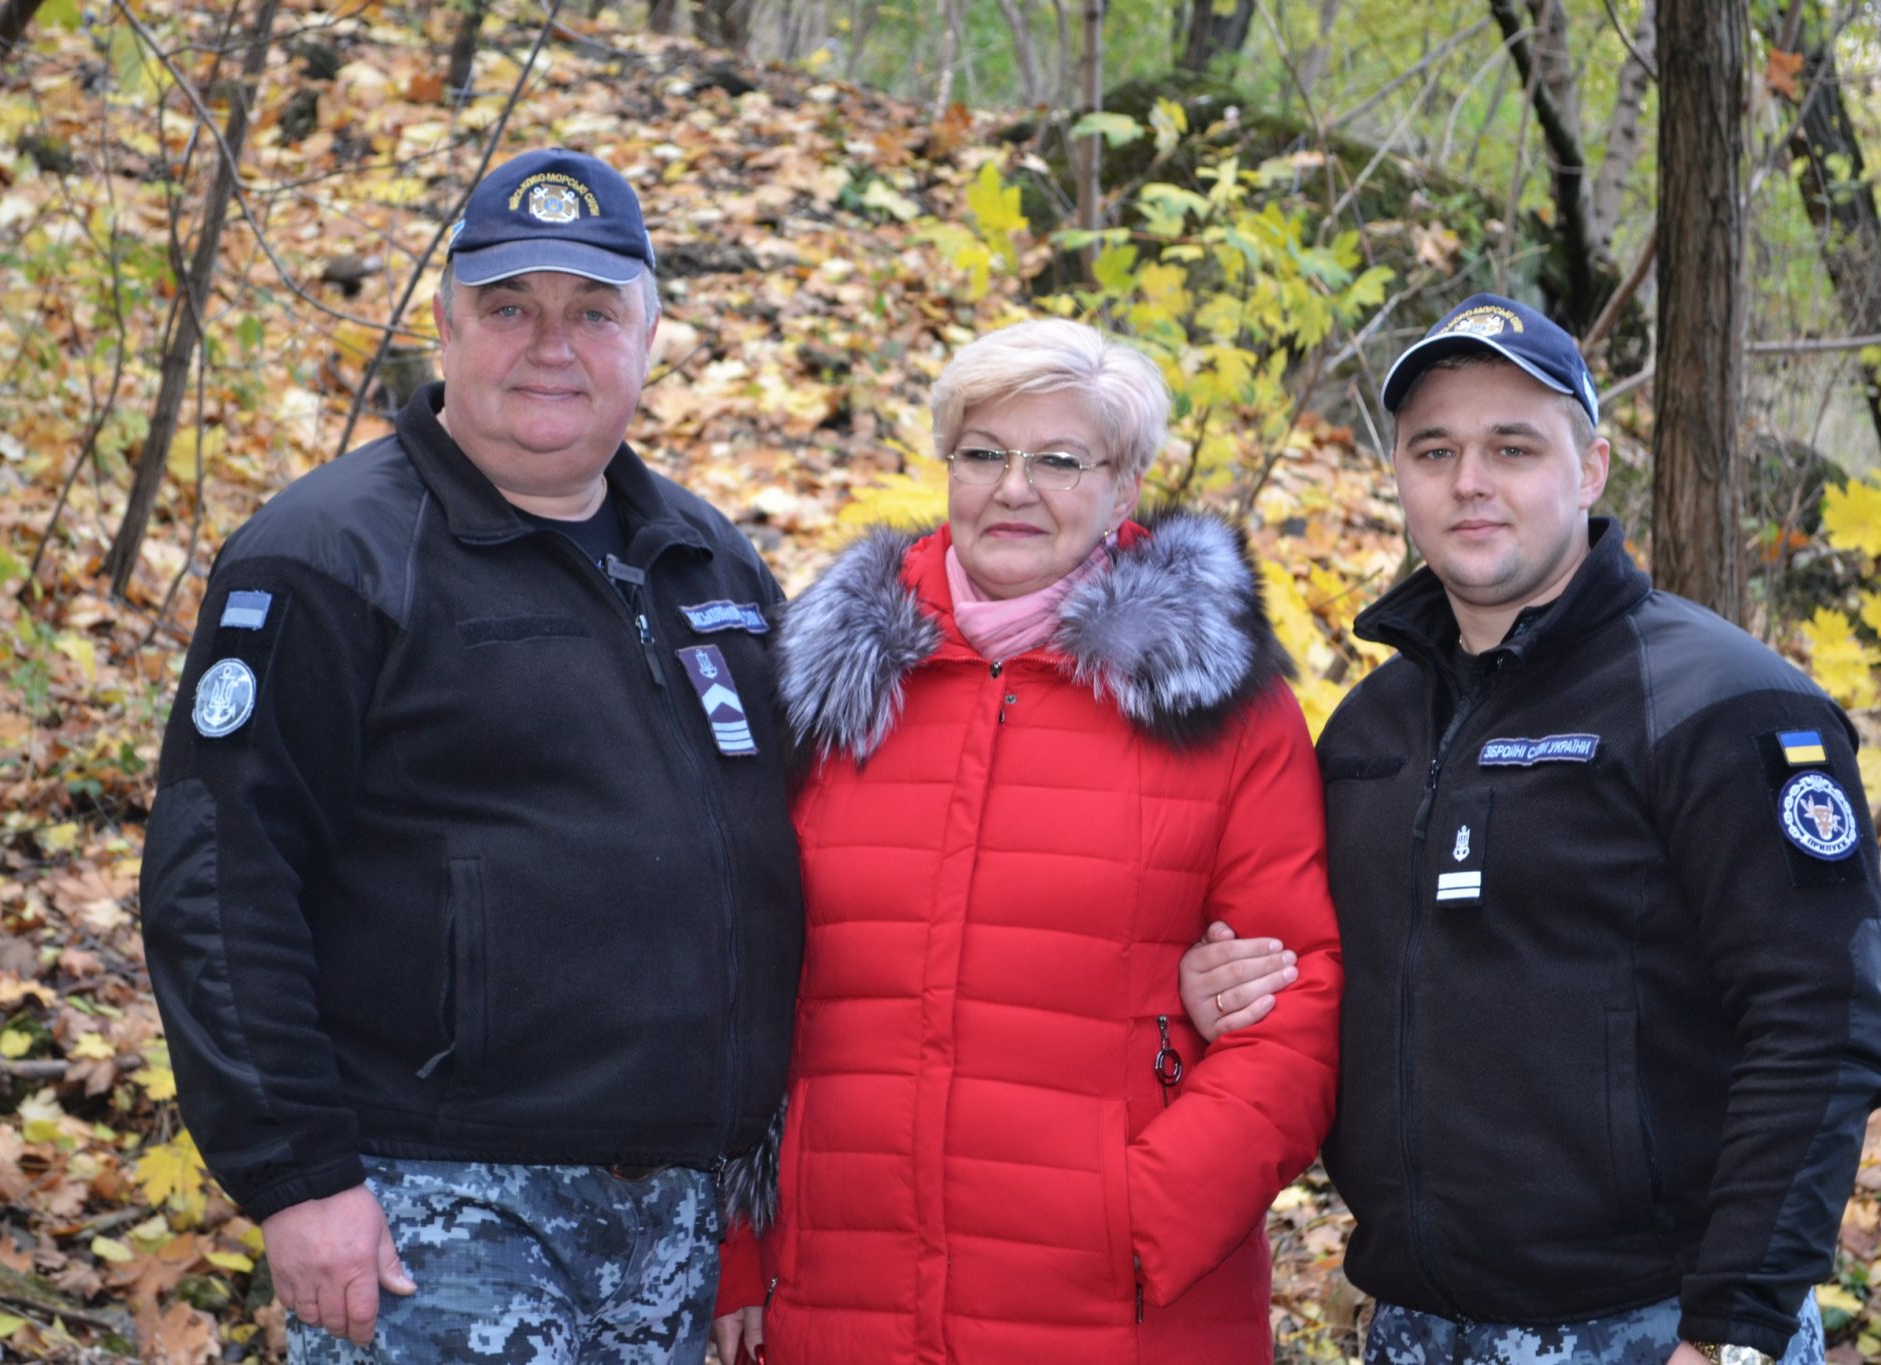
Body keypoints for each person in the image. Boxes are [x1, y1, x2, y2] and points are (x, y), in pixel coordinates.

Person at [139, 147, 803, 1363]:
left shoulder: (709, 566)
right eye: (508, 308)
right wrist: (298, 1178)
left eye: (592, 312)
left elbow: (795, 861)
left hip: (676, 1214)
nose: (551, 346)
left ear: (647, 340)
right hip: (431, 1208)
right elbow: (219, 883)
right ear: (444, 328)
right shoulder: (328, 556)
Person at [1181, 293, 1881, 1365]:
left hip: (1662, 1325)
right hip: (1416, 1326)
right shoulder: (1368, 728)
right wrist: (1221, 983)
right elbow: (1323, 974)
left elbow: (1820, 1021)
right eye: (1435, 450)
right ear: (1399, 475)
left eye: (1512, 447)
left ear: (1590, 468)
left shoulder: (1722, 703)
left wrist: (1733, 1329)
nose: (1469, 481)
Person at [709, 318, 1344, 1364]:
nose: (1013, 488)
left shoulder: (1217, 701)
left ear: (1124, 485)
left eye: (1059, 460)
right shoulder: (820, 685)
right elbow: (739, 974)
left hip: (1116, 1315)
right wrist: (739, 1244)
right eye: (983, 453)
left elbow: (1296, 1002)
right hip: (841, 1294)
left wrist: (1139, 1214)